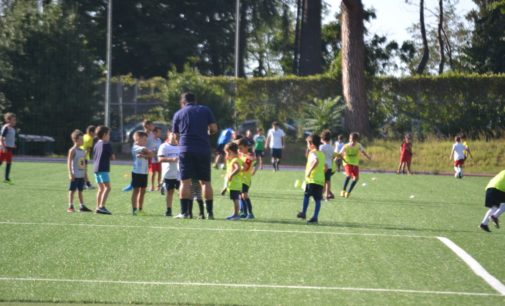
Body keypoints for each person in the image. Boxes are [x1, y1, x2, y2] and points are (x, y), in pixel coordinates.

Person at [172, 92, 218, 219]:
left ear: (183, 102)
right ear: (195, 100)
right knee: (205, 182)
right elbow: (214, 128)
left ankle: (184, 212)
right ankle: (209, 213)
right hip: (203, 149)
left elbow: (176, 136)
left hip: (186, 150)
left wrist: (181, 143)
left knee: (185, 182)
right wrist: (208, 132)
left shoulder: (178, 113)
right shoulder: (205, 110)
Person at [297, 134, 325, 224]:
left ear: (312, 144)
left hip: (312, 179)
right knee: (317, 199)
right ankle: (315, 217)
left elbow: (316, 161)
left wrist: (309, 171)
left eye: (307, 144)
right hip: (320, 180)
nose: (307, 146)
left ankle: (303, 213)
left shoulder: (312, 153)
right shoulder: (322, 154)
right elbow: (325, 166)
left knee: (306, 195)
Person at [337, 132, 371, 198]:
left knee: (356, 178)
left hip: (355, 163)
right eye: (351, 140)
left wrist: (368, 156)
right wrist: (336, 157)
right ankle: (343, 190)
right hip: (347, 162)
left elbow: (363, 152)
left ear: (356, 140)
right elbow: (340, 153)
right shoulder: (346, 146)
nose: (352, 142)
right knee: (349, 175)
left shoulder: (358, 145)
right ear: (349, 139)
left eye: (354, 141)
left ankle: (348, 192)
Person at [66, 130, 92, 213]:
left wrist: (84, 174)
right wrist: (70, 173)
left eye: (82, 139)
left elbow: (82, 162)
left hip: (81, 175)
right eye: (81, 139)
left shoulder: (82, 150)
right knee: (72, 190)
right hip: (75, 174)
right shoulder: (72, 150)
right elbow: (69, 162)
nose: (83, 141)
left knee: (80, 190)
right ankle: (70, 206)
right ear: (75, 140)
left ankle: (81, 206)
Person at [130, 131, 153, 216]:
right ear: (137, 139)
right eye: (144, 139)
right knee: (136, 190)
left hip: (144, 172)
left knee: (143, 191)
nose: (145, 142)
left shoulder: (142, 147)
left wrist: (144, 155)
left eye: (146, 140)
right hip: (137, 172)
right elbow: (148, 151)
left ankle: (140, 209)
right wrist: (148, 154)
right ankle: (134, 209)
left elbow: (151, 155)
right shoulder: (135, 147)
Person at [93, 126, 115, 215]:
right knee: (107, 188)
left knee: (100, 188)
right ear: (105, 134)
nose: (109, 136)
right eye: (109, 134)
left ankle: (98, 206)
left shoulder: (96, 144)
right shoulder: (107, 144)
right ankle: (102, 206)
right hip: (103, 168)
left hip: (95, 169)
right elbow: (113, 158)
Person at [158, 130, 180, 217]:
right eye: (172, 134)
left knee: (182, 192)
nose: (174, 136)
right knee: (170, 192)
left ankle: (184, 210)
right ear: (168, 134)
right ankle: (168, 210)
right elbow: (160, 159)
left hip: (180, 174)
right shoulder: (164, 146)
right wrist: (172, 159)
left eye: (176, 134)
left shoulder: (181, 146)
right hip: (168, 174)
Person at [221, 142, 242, 221]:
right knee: (234, 199)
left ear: (231, 152)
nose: (226, 155)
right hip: (233, 183)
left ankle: (236, 215)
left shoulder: (235, 160)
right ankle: (235, 214)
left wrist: (231, 175)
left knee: (235, 199)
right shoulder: (233, 159)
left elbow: (238, 168)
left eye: (227, 153)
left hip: (235, 183)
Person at [237, 138, 255, 219]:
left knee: (244, 195)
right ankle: (244, 212)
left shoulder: (249, 156)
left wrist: (236, 169)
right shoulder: (240, 154)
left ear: (246, 147)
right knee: (241, 196)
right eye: (238, 148)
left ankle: (250, 213)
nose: (239, 150)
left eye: (241, 148)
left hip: (245, 179)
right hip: (240, 179)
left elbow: (246, 167)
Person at [0, 112, 16, 184]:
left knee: (9, 163)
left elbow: (10, 138)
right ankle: (6, 178)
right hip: (4, 148)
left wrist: (13, 144)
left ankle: (6, 178)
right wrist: (3, 146)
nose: (14, 121)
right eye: (13, 120)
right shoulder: (6, 127)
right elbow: (1, 138)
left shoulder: (12, 129)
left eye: (15, 120)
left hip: (10, 148)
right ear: (8, 120)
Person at [319, 130, 335, 200]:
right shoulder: (332, 147)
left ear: (322, 138)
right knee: (328, 181)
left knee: (322, 181)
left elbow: (320, 156)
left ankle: (321, 195)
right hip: (330, 165)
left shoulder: (321, 147)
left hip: (323, 166)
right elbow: (332, 157)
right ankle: (327, 195)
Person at [81, 125, 96, 189]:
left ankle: (85, 184)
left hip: (79, 154)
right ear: (91, 132)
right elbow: (88, 149)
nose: (95, 134)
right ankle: (86, 184)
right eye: (94, 132)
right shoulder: (90, 138)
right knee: (83, 171)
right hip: (84, 156)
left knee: (82, 170)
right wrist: (84, 157)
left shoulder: (84, 136)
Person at [149, 126, 162, 191]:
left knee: (159, 172)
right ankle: (152, 186)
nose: (160, 133)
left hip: (158, 158)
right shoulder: (151, 140)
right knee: (153, 172)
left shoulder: (159, 140)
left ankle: (158, 186)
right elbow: (150, 149)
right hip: (153, 159)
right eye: (159, 132)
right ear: (155, 132)